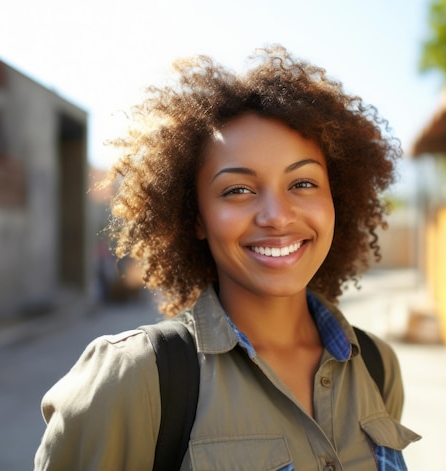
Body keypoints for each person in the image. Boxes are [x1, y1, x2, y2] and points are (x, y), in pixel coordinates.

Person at [34, 45, 420, 470]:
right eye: (238, 190)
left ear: (337, 199)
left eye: (303, 183)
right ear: (195, 217)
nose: (276, 216)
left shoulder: (379, 369)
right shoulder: (134, 380)